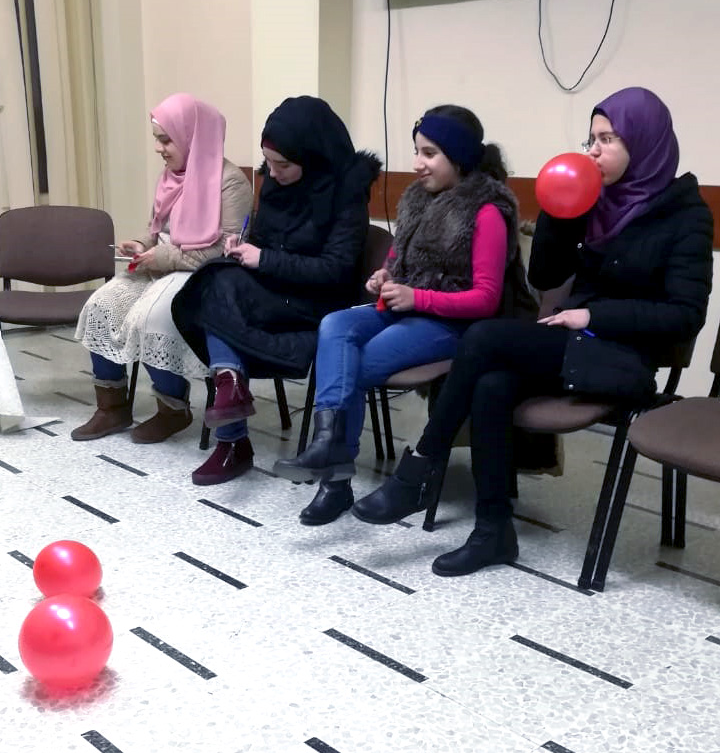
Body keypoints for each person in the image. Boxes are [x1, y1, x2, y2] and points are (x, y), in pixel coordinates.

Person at [351, 86, 714, 576]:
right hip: (574, 345)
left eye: (607, 139)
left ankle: (419, 469)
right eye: (590, 139)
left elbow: (685, 315)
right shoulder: (596, 201)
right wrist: (562, 214)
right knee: (491, 384)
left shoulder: (686, 216)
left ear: (643, 143)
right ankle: (493, 531)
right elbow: (543, 276)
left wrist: (594, 317)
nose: (592, 151)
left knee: (484, 338)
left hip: (622, 356)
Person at [273, 104, 535, 524]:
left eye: (429, 153)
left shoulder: (487, 212)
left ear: (459, 156)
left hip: (450, 323)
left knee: (352, 365)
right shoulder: (416, 199)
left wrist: (417, 298)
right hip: (404, 307)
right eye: (416, 152)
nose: (416, 163)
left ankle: (334, 481)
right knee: (335, 324)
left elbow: (485, 300)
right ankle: (328, 451)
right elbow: (397, 261)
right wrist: (384, 276)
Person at [171, 95, 381, 485]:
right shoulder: (274, 184)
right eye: (268, 162)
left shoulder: (346, 194)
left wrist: (264, 259)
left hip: (316, 305)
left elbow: (335, 271)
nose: (272, 172)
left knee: (219, 297)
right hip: (274, 291)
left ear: (312, 157)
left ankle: (232, 437)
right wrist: (243, 247)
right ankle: (231, 387)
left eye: (283, 165)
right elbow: (265, 240)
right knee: (213, 280)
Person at [72, 93, 251, 443]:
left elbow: (225, 251)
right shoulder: (171, 176)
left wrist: (164, 256)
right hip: (161, 264)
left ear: (191, 136)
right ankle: (112, 407)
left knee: (150, 317)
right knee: (101, 305)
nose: (159, 148)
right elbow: (156, 229)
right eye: (157, 139)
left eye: (166, 140)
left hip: (201, 276)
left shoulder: (230, 182)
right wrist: (141, 245)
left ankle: (172, 409)